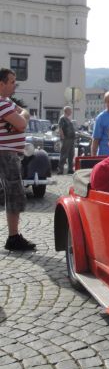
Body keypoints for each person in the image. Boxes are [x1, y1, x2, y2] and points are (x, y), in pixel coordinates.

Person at [0, 68, 36, 251]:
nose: (15, 85)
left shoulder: (6, 102)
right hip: (6, 153)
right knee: (13, 194)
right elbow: (22, 122)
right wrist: (21, 118)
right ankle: (13, 238)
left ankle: (14, 236)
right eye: (12, 81)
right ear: (2, 84)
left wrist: (22, 117)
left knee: (11, 193)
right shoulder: (2, 104)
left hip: (9, 153)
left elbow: (25, 113)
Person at [57, 106, 76, 174]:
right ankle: (60, 170)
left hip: (71, 139)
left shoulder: (68, 119)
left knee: (71, 154)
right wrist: (62, 137)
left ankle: (70, 169)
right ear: (66, 111)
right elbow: (60, 128)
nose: (71, 112)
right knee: (64, 155)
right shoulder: (62, 118)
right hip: (66, 139)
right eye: (70, 111)